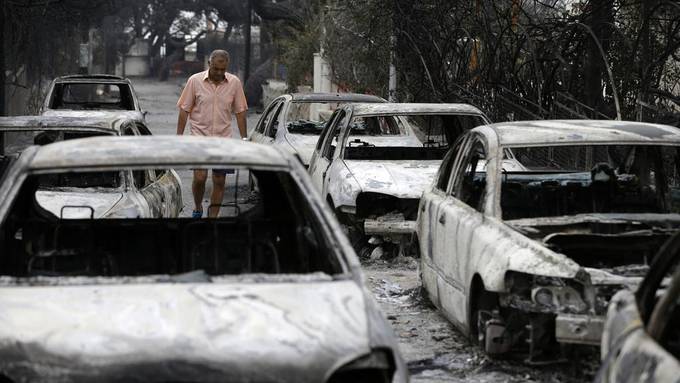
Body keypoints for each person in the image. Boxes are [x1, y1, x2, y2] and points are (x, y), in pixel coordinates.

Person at [176, 49, 248, 218]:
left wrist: (244, 138)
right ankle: (198, 206)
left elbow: (240, 112)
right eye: (216, 68)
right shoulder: (194, 81)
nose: (219, 73)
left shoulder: (235, 83)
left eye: (223, 69)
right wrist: (178, 138)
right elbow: (184, 110)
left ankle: (212, 218)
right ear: (209, 64)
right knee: (200, 177)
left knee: (219, 179)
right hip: (199, 139)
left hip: (223, 140)